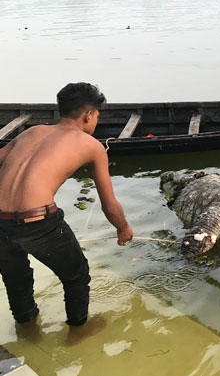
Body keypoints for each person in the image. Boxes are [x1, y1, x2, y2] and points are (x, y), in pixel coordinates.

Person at [0, 82, 133, 327]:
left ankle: (27, 328)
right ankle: (78, 330)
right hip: (39, 223)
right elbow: (109, 206)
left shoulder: (30, 132)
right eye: (97, 117)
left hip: (1, 223)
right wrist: (123, 228)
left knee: (16, 281)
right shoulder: (91, 145)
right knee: (77, 276)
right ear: (88, 115)